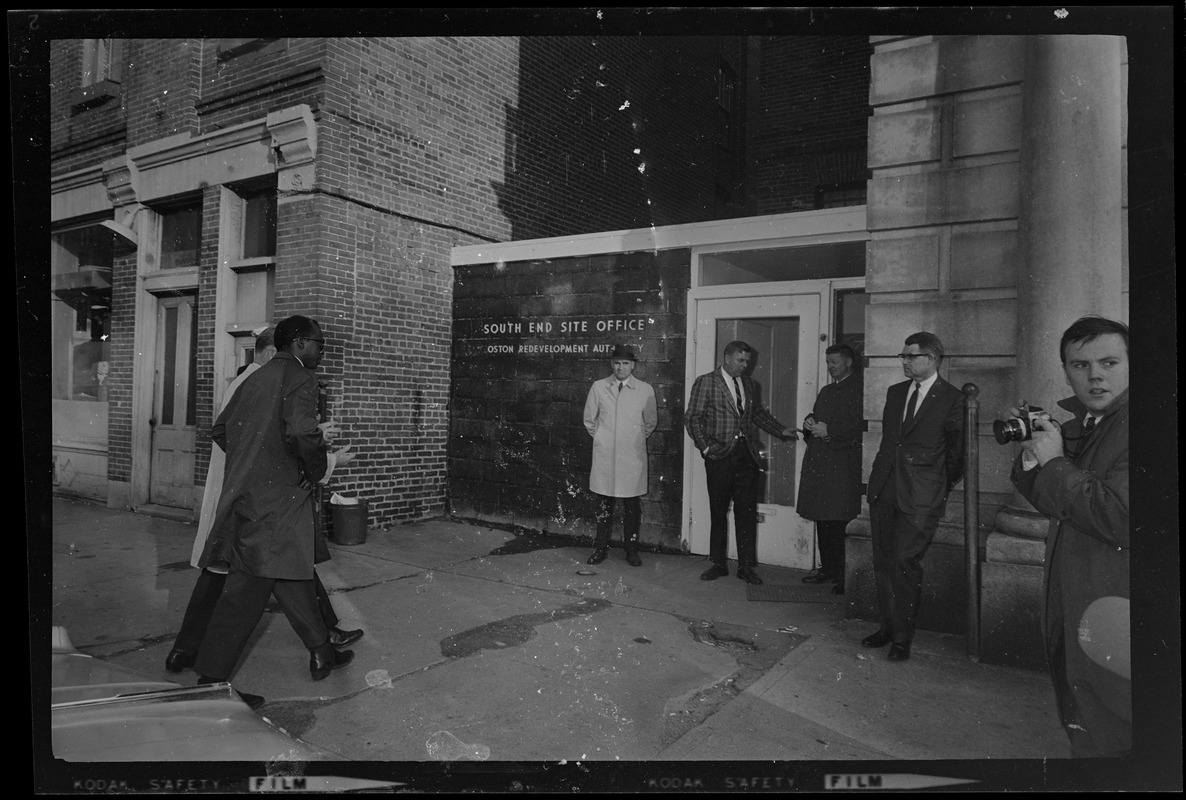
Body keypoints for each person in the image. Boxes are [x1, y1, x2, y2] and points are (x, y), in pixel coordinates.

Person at [164, 327, 362, 703]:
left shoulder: (253, 377)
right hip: (278, 503)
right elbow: (303, 437)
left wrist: (255, 462)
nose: (322, 353)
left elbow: (221, 429)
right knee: (245, 591)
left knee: (291, 571)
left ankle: (323, 651)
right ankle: (211, 683)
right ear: (300, 343)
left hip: (251, 497)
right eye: (319, 346)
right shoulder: (302, 376)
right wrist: (312, 470)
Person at [1009, 315, 1129, 757]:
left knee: (1114, 734)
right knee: (1087, 724)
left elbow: (1119, 516)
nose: (1095, 375)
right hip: (1079, 602)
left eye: (1109, 362)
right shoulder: (1093, 420)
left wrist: (1056, 463)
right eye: (1080, 365)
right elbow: (1058, 501)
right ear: (1065, 371)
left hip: (1114, 610)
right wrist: (1031, 458)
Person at [863, 331, 965, 661]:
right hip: (885, 489)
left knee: (905, 563)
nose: (904, 361)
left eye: (911, 356)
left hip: (921, 496)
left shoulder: (952, 398)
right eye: (903, 356)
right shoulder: (895, 393)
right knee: (883, 563)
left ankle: (902, 638)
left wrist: (936, 487)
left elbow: (957, 454)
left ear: (932, 359)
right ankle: (887, 627)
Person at [685, 340, 798, 586]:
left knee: (746, 512)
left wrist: (781, 431)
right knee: (718, 510)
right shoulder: (706, 382)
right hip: (719, 457)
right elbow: (692, 419)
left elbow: (756, 414)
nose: (745, 366)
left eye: (747, 361)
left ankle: (746, 566)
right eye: (741, 360)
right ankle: (718, 563)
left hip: (746, 456)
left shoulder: (748, 383)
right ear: (727, 358)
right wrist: (706, 448)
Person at [797, 344, 863, 595]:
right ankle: (828, 568)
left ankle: (845, 574)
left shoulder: (860, 389)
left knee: (840, 519)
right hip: (820, 461)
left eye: (834, 362)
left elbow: (863, 426)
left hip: (842, 464)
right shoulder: (827, 390)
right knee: (822, 517)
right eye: (827, 362)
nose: (830, 367)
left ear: (848, 362)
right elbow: (819, 415)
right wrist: (809, 421)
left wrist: (831, 431)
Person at [583, 345, 658, 567]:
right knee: (604, 505)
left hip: (632, 459)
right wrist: (605, 440)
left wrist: (629, 441)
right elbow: (589, 420)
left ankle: (632, 551)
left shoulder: (645, 390)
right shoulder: (598, 387)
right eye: (616, 363)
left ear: (633, 365)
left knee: (631, 507)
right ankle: (600, 549)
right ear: (611, 364)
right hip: (605, 458)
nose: (620, 367)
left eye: (625, 363)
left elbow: (650, 422)